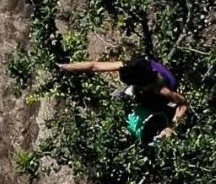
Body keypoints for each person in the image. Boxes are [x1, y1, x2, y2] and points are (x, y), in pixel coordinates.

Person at [59, 53, 189, 142]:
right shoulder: (132, 66)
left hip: (158, 100)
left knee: (150, 121)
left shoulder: (162, 90)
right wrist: (66, 67)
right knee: (119, 97)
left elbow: (183, 104)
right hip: (143, 87)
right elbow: (94, 66)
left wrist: (171, 127)